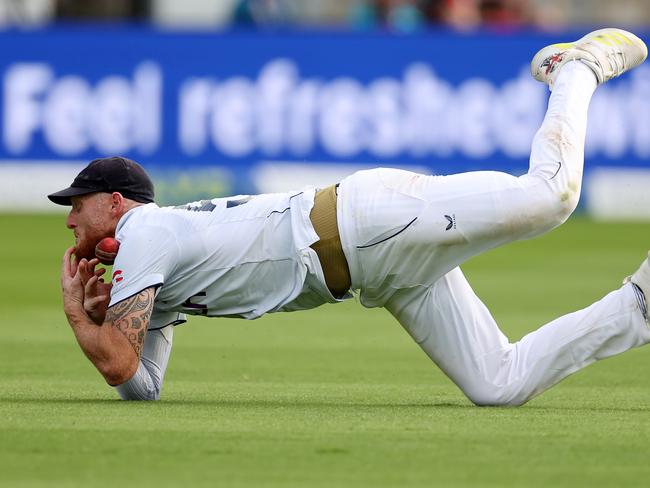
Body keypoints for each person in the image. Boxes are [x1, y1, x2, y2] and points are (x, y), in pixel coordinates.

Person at [53, 28, 650, 404]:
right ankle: (641, 306)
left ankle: (574, 70)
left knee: (552, 196)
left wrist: (80, 314)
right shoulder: (152, 262)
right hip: (376, 270)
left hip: (367, 222)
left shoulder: (144, 231)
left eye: (78, 203)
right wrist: (112, 314)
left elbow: (118, 360)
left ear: (117, 203)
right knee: (500, 382)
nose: (70, 219)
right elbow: (141, 387)